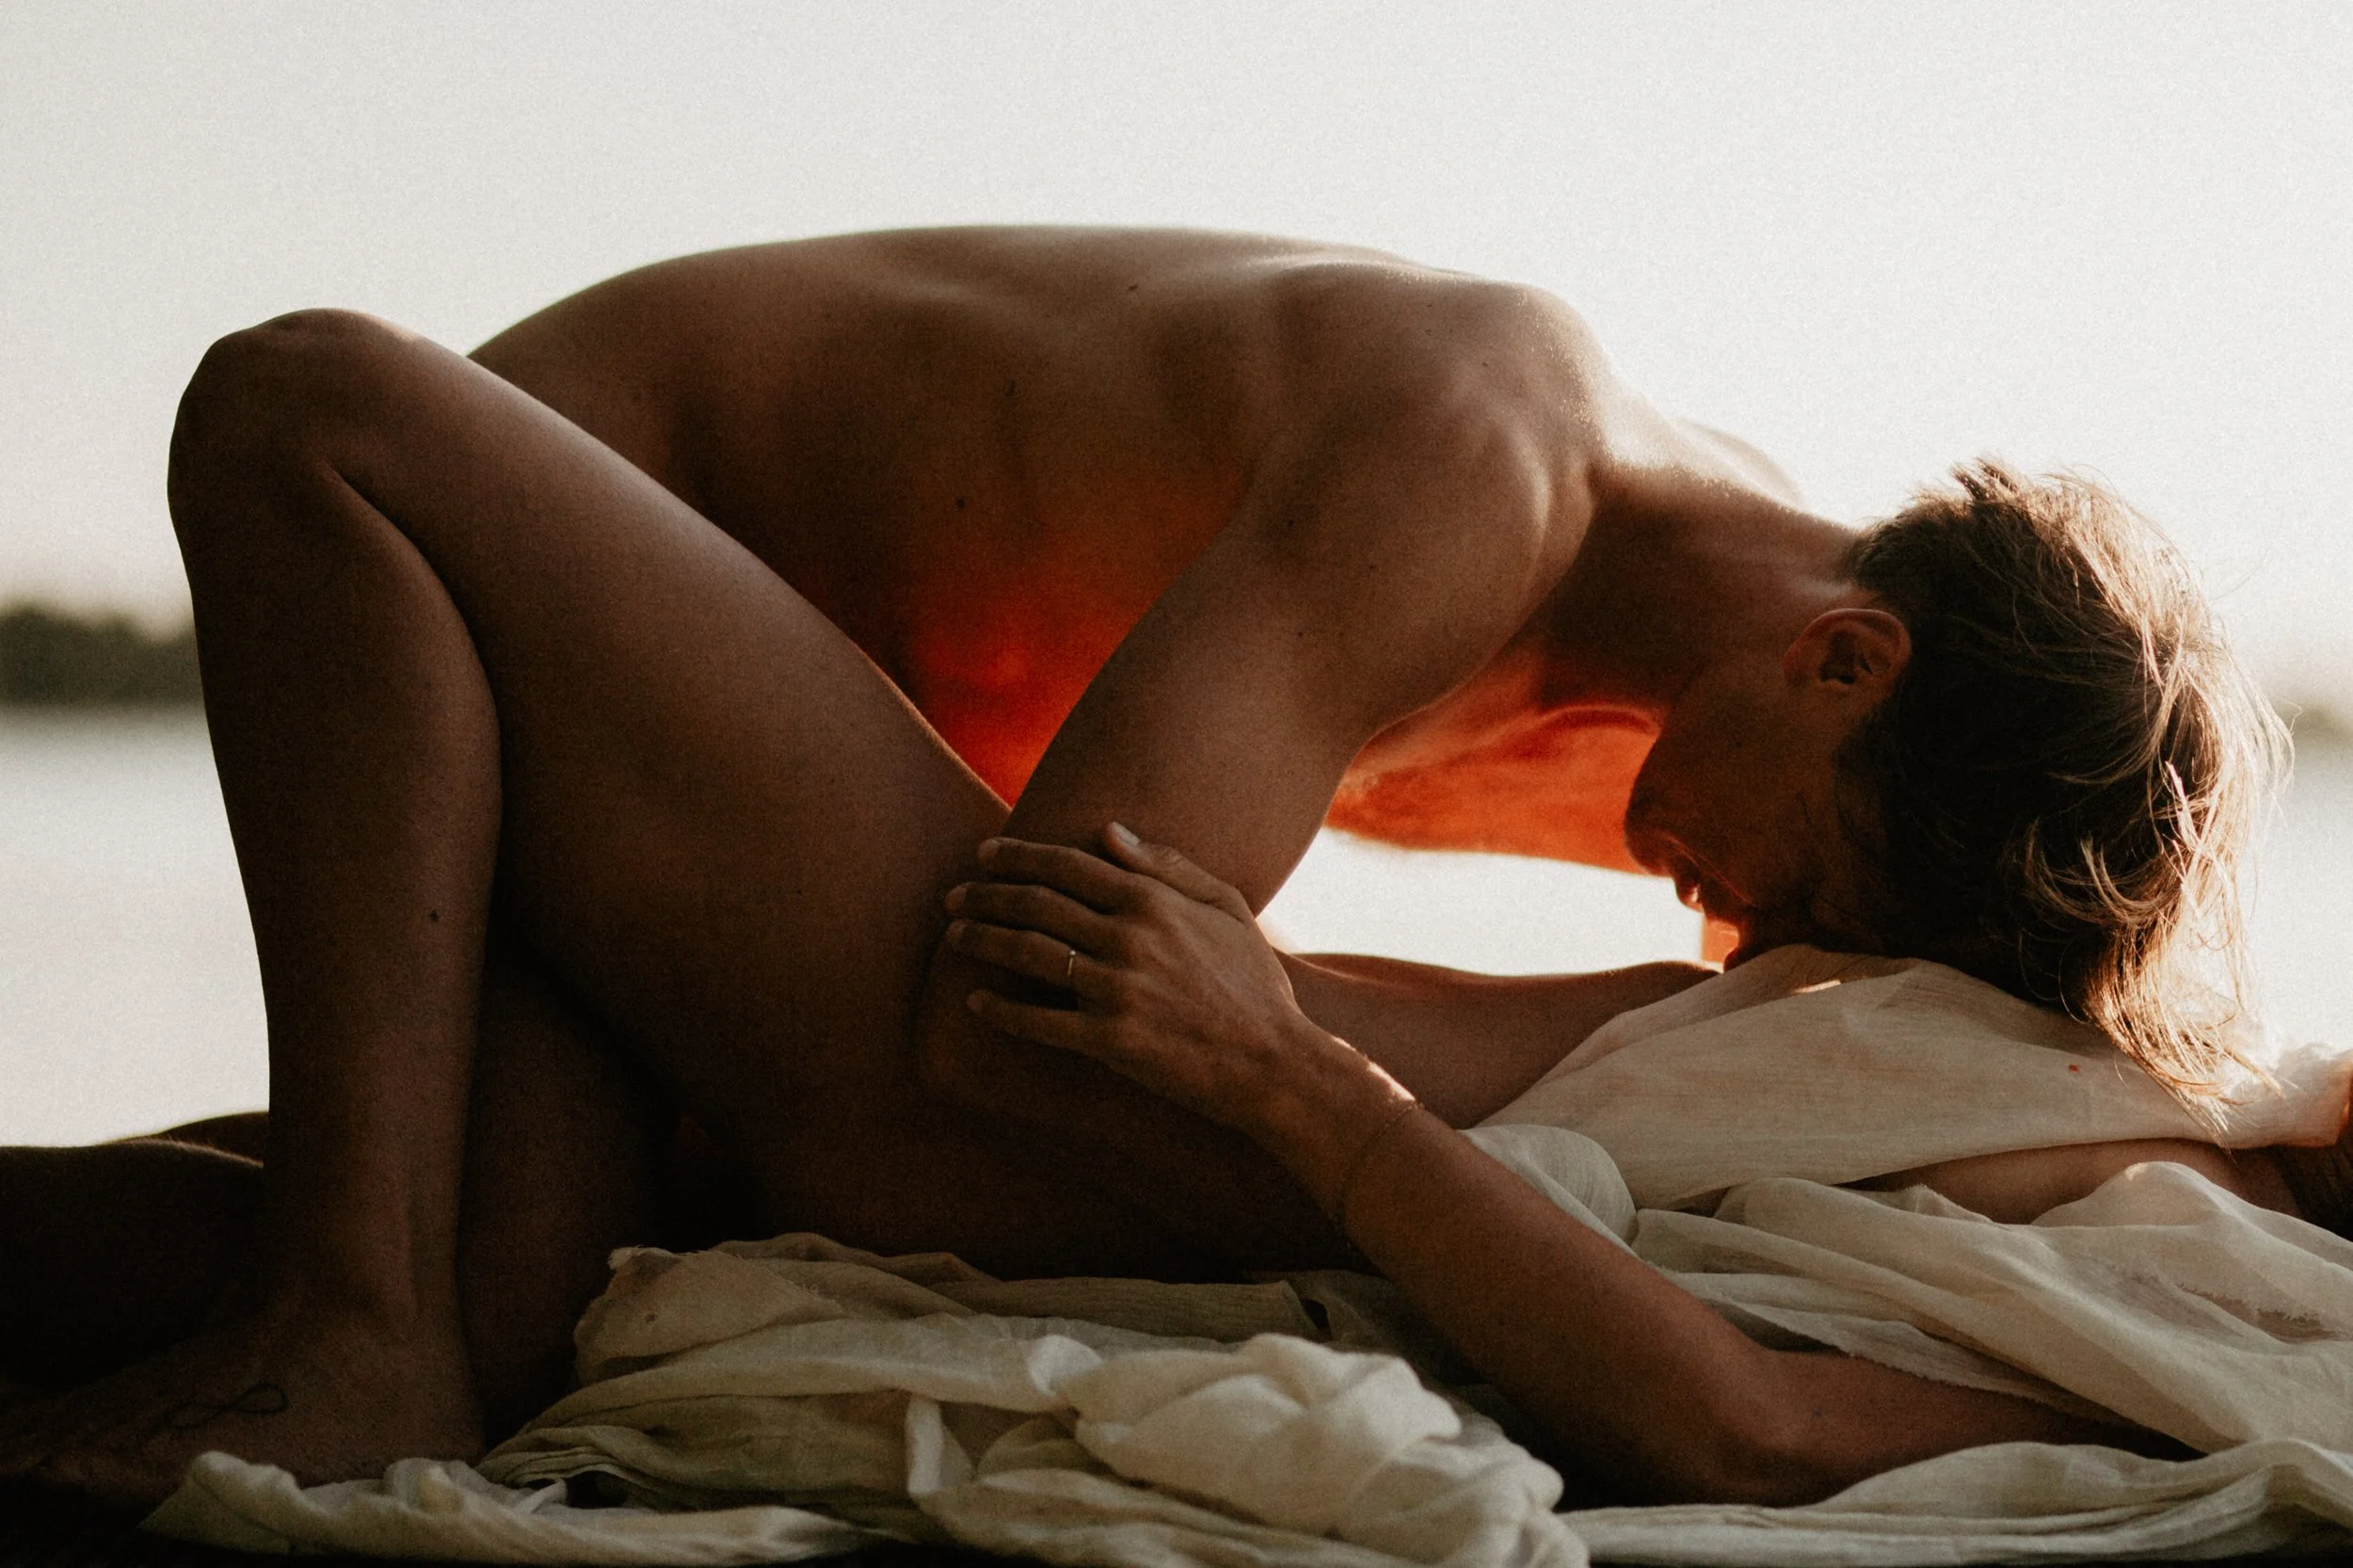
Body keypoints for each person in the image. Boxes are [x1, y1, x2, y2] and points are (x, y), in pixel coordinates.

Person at [0, 229, 2324, 1512]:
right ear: (1840, 658)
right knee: (869, 1149)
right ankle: (344, 1312)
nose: (1733, 940)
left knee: (524, 1289)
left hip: (784, 697)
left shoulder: (1702, 720)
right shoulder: (1478, 459)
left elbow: (1685, 1062)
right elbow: (1017, 1015)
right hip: (576, 528)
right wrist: (1369, 1145)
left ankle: (353, 1281)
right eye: (1790, 896)